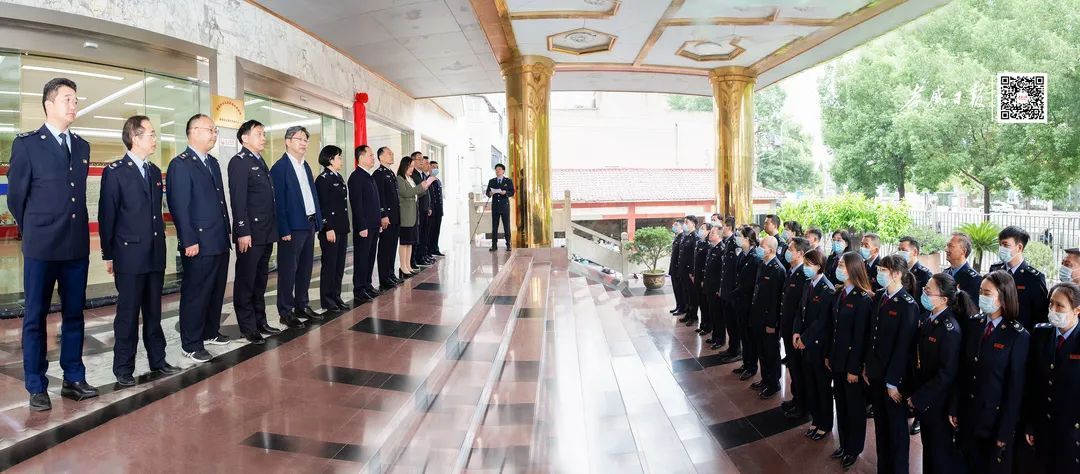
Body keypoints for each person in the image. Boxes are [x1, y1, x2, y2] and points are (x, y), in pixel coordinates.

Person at [7, 78, 97, 409]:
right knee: (35, 316)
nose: (74, 105)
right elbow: (16, 198)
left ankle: (74, 377)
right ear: (48, 104)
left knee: (75, 314)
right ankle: (36, 385)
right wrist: (35, 228)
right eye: (67, 99)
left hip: (75, 246)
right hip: (42, 247)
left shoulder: (82, 146)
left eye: (75, 100)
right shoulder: (28, 144)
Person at [98, 115, 179, 386]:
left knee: (154, 312)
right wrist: (108, 254)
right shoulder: (115, 172)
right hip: (129, 256)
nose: (155, 139)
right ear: (135, 137)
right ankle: (123, 367)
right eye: (151, 134)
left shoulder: (154, 171)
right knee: (128, 314)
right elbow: (107, 216)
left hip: (155, 254)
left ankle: (158, 360)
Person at [167, 114, 232, 363]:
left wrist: (227, 231)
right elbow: (179, 207)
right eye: (210, 130)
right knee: (196, 293)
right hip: (199, 242)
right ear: (193, 132)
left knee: (215, 290)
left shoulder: (212, 163)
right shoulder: (181, 164)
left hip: (218, 238)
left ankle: (210, 331)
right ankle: (191, 343)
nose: (214, 134)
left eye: (215, 131)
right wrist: (188, 240)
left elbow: (220, 201)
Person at [953, 270, 1030, 474]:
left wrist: (1005, 431)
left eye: (987, 293)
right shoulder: (974, 324)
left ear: (1003, 297)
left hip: (993, 422)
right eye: (980, 292)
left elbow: (1015, 390)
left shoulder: (1017, 336)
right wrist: (954, 407)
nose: (982, 297)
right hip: (968, 414)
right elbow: (963, 371)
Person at [908, 273, 967, 474]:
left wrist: (919, 397)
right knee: (929, 450)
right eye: (924, 289)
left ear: (943, 299)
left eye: (928, 291)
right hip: (927, 402)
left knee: (939, 454)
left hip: (938, 404)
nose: (924, 293)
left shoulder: (950, 330)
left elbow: (946, 374)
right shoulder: (930, 319)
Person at [228, 119, 280, 345]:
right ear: (244, 138)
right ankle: (248, 327)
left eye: (264, 133)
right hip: (250, 234)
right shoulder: (239, 162)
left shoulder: (259, 160)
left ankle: (261, 321)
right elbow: (238, 200)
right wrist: (242, 231)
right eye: (259, 133)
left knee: (260, 280)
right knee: (246, 281)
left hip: (265, 231)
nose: (263, 138)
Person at [867, 255, 919, 474]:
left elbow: (903, 347)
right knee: (881, 428)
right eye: (879, 269)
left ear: (897, 274)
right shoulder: (880, 296)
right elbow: (872, 335)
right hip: (876, 373)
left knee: (897, 432)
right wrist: (868, 367)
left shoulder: (908, 305)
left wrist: (892, 381)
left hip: (894, 381)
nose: (879, 273)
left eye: (884, 270)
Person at [270, 126, 324, 328]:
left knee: (305, 268)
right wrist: (283, 229)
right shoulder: (280, 168)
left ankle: (302, 305)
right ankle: (286, 311)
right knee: (288, 271)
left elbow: (312, 195)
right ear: (288, 141)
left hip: (308, 224)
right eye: (299, 139)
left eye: (305, 140)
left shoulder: (305, 166)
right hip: (291, 228)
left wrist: (318, 220)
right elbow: (278, 202)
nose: (304, 143)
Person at [1023, 282, 1080, 473]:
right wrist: (1030, 423)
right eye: (1051, 304)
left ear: (1077, 310)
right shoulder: (1041, 333)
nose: (1053, 309)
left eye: (1060, 306)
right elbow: (1032, 383)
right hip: (1043, 428)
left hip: (1071, 434)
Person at [828, 251, 874, 470]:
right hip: (837, 359)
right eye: (838, 264)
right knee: (841, 404)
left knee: (854, 408)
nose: (838, 268)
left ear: (853, 269)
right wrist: (829, 355)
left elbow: (860, 338)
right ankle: (844, 443)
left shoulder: (863, 299)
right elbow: (834, 330)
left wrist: (854, 368)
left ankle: (853, 449)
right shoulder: (840, 293)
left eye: (842, 265)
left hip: (851, 364)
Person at [792, 249, 836, 442]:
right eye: (805, 263)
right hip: (805, 343)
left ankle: (825, 424)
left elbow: (822, 321)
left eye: (809, 264)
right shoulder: (807, 284)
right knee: (810, 384)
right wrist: (796, 332)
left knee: (822, 386)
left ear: (819, 266)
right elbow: (800, 311)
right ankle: (816, 419)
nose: (805, 267)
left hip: (818, 346)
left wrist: (804, 338)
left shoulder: (827, 289)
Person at [990, 226, 1048, 330]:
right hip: (995, 330)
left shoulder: (1034, 278)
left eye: (1005, 245)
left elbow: (1041, 315)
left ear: (1019, 247)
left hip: (1020, 333)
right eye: (1000, 245)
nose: (1001, 249)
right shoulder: (995, 269)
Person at [751, 235, 787, 399]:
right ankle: (765, 379)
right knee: (762, 351)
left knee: (771, 352)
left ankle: (774, 383)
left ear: (771, 249)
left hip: (769, 320)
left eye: (762, 246)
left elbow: (776, 300)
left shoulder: (778, 269)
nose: (759, 248)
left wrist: (772, 323)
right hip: (758, 316)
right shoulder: (762, 264)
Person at [779, 237, 812, 417]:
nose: (787, 251)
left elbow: (801, 307)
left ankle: (803, 405)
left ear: (800, 253)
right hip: (788, 328)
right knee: (793, 366)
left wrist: (797, 331)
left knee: (799, 369)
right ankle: (796, 397)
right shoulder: (792, 271)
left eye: (791, 249)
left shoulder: (803, 275)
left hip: (796, 331)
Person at [315, 145, 348, 312]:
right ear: (330, 159)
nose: (341, 160)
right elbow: (323, 206)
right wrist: (328, 227)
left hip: (341, 227)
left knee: (339, 265)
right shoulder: (323, 179)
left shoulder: (338, 177)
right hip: (331, 229)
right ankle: (327, 300)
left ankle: (336, 296)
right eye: (338, 157)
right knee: (329, 265)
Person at [348, 145, 382, 303]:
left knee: (370, 256)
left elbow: (375, 202)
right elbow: (357, 205)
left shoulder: (369, 176)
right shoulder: (356, 177)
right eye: (370, 155)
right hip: (364, 226)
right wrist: (362, 226)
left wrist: (378, 221)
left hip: (373, 224)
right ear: (361, 158)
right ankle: (359, 289)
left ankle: (367, 284)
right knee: (361, 258)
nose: (373, 158)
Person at [731, 226, 763, 379]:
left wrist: (733, 293)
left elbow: (749, 285)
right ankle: (746, 363)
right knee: (743, 335)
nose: (737, 238)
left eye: (740, 236)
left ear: (748, 239)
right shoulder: (742, 255)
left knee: (750, 338)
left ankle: (751, 367)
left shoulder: (755, 258)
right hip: (740, 302)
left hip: (748, 304)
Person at [396, 155, 435, 279]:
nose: (412, 169)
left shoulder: (410, 179)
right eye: (410, 166)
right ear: (404, 166)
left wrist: (425, 187)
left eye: (413, 166)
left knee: (410, 243)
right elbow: (406, 193)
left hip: (413, 215)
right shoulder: (400, 179)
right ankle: (403, 267)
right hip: (406, 216)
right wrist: (421, 187)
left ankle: (408, 266)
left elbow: (417, 193)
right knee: (404, 243)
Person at [373, 147, 403, 290]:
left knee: (392, 247)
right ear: (381, 157)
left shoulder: (390, 173)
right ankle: (384, 278)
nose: (392, 155)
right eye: (389, 153)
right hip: (387, 217)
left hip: (395, 216)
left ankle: (391, 274)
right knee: (385, 248)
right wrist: (383, 215)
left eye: (392, 153)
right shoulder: (379, 174)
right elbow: (380, 197)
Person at [716, 217, 741, 354]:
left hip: (732, 290)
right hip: (726, 289)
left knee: (733, 323)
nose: (722, 229)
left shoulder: (735, 243)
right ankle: (731, 348)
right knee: (729, 322)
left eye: (723, 226)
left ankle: (735, 350)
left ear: (729, 228)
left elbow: (736, 270)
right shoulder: (727, 242)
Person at [701, 225, 725, 345]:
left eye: (713, 233)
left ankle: (720, 339)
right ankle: (715, 336)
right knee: (712, 313)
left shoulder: (722, 249)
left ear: (719, 235)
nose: (710, 235)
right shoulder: (712, 248)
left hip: (715, 288)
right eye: (710, 233)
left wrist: (719, 288)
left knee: (718, 315)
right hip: (709, 286)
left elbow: (722, 272)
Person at [683, 222, 711, 327]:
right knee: (700, 302)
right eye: (701, 228)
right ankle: (703, 324)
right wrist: (693, 273)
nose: (700, 230)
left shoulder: (708, 245)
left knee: (705, 303)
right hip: (697, 276)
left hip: (703, 278)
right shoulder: (699, 243)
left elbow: (706, 265)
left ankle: (707, 325)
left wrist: (703, 279)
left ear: (708, 231)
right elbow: (695, 261)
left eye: (703, 228)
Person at [410, 152, 433, 268]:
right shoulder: (412, 175)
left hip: (424, 208)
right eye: (419, 159)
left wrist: (428, 207)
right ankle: (416, 258)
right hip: (417, 209)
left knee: (424, 234)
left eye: (422, 159)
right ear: (413, 161)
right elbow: (416, 192)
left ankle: (423, 256)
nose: (421, 161)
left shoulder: (422, 175)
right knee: (417, 235)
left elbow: (426, 193)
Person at [676, 216, 701, 323]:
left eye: (687, 222)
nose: (684, 224)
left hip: (689, 271)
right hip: (683, 270)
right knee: (686, 293)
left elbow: (694, 257)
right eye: (684, 222)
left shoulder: (695, 237)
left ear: (693, 224)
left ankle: (693, 315)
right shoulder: (686, 236)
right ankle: (688, 313)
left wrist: (692, 272)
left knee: (692, 294)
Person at [945, 232, 984, 297]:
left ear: (963, 251)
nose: (946, 249)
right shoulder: (945, 273)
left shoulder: (975, 279)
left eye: (950, 246)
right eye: (947, 246)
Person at [485, 163, 514, 250]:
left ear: (503, 171)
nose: (497, 171)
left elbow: (512, 192)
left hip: (504, 206)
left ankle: (508, 244)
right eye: (496, 169)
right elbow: (487, 193)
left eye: (499, 169)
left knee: (506, 226)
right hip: (495, 206)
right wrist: (490, 193)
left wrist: (505, 193)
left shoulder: (508, 181)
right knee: (494, 226)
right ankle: (494, 245)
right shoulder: (492, 181)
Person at [898, 236, 934, 302]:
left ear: (915, 252)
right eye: (899, 250)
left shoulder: (924, 274)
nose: (900, 253)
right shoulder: (898, 271)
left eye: (903, 250)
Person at [427, 160, 445, 257]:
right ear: (429, 167)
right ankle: (429, 250)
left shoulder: (437, 180)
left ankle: (435, 248)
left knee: (437, 230)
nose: (435, 169)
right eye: (433, 167)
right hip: (432, 210)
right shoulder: (428, 180)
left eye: (437, 167)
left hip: (438, 210)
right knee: (430, 231)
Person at [669, 220, 686, 315]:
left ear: (681, 226)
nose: (673, 226)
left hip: (678, 268)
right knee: (676, 289)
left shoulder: (682, 237)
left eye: (676, 225)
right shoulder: (677, 237)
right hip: (674, 268)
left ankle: (682, 308)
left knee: (680, 289)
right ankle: (678, 305)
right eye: (673, 224)